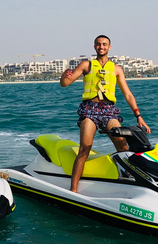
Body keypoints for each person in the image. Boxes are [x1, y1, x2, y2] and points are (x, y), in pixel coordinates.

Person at [59, 35, 151, 193]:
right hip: (90, 109)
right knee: (85, 149)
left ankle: (129, 182)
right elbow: (65, 84)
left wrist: (138, 116)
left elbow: (128, 95)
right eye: (98, 44)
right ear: (94, 47)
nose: (101, 47)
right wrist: (63, 77)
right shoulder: (86, 65)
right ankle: (73, 190)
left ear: (109, 47)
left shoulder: (116, 69)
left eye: (104, 44)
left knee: (123, 148)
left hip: (109, 111)